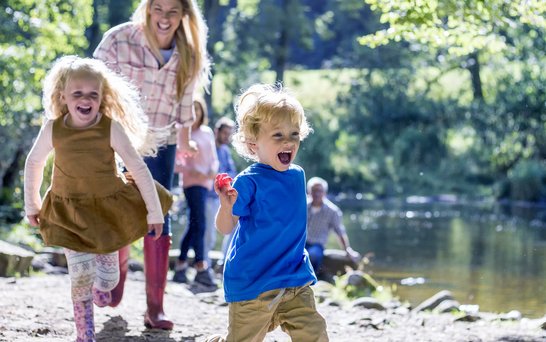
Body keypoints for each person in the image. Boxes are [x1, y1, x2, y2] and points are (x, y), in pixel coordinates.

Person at [23, 56, 172, 342]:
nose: (85, 99)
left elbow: (138, 168)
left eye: (93, 94)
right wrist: (33, 203)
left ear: (102, 97)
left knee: (107, 284)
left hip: (107, 214)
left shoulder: (109, 127)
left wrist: (155, 213)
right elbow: (34, 163)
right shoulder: (54, 128)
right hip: (69, 213)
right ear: (62, 96)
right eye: (77, 93)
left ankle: (101, 289)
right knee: (79, 278)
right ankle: (84, 334)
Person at [93, 0, 210, 329]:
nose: (164, 17)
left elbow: (185, 103)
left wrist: (185, 140)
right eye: (158, 8)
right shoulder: (120, 39)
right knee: (118, 211)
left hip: (162, 142)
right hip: (119, 140)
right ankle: (114, 282)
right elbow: (91, 83)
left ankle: (155, 308)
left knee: (158, 214)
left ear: (184, 15)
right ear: (147, 8)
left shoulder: (189, 51)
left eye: (173, 11)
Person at [206, 84, 329, 342]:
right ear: (253, 145)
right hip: (253, 283)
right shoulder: (247, 182)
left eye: (294, 134)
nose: (288, 141)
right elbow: (226, 228)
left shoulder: (298, 175)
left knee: (314, 333)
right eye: (278, 135)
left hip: (294, 279)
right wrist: (226, 206)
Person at [173, 98, 218, 285]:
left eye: (198, 110)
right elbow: (175, 164)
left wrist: (213, 171)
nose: (196, 113)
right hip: (192, 184)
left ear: (202, 112)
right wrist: (191, 171)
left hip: (206, 183)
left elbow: (214, 159)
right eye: (193, 110)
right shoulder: (183, 134)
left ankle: (181, 265)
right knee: (200, 223)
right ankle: (201, 266)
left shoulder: (207, 133)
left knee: (195, 224)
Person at [306, 177, 360, 276]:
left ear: (324, 193)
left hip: (317, 245)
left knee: (312, 255)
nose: (317, 193)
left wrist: (347, 249)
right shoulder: (303, 206)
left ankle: (311, 280)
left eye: (319, 191)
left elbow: (340, 232)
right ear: (309, 192)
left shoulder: (332, 211)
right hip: (301, 243)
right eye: (314, 190)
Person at [204, 116, 237, 265]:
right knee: (208, 233)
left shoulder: (225, 151)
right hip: (207, 195)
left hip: (222, 196)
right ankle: (205, 265)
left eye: (229, 134)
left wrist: (223, 178)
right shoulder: (208, 147)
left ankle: (224, 262)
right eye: (225, 133)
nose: (227, 137)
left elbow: (232, 172)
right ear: (217, 131)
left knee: (232, 228)